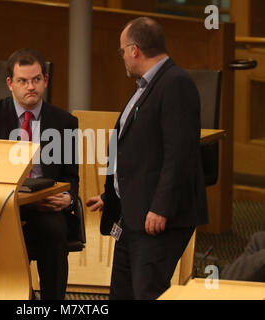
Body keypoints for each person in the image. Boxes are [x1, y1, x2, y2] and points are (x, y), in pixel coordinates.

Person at [86, 17, 209, 300]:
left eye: (121, 51)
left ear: (134, 50)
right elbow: (142, 152)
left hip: (158, 218)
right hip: (133, 213)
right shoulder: (147, 86)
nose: (123, 59)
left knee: (147, 293)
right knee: (122, 292)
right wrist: (114, 196)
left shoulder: (176, 84)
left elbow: (180, 154)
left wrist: (162, 207)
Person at [0, 48, 79, 300]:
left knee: (54, 231)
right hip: (1, 209)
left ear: (45, 80)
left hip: (44, 205)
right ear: (10, 84)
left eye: (36, 79)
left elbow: (72, 176)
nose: (31, 87)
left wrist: (69, 198)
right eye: (23, 81)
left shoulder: (65, 122)